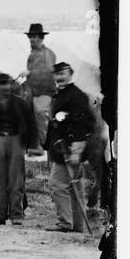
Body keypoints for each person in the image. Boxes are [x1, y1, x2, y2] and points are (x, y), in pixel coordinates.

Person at [46, 61, 95, 233]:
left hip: (69, 150)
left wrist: (76, 151)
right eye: (57, 74)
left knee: (57, 184)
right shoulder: (60, 95)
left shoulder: (76, 95)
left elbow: (83, 125)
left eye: (63, 74)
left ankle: (64, 223)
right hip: (61, 148)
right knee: (74, 186)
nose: (59, 78)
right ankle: (77, 225)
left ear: (70, 74)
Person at [0, 74, 34, 225]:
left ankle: (16, 215)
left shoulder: (21, 103)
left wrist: (28, 145)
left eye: (6, 84)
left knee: (17, 180)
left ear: (10, 85)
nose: (3, 88)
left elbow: (30, 125)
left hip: (16, 142)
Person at [23, 23, 58, 151]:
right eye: (30, 37)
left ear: (41, 38)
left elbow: (49, 71)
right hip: (31, 89)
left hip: (45, 90)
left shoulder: (48, 54)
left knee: (40, 110)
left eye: (34, 37)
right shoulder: (31, 55)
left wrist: (31, 73)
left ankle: (40, 143)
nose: (31, 39)